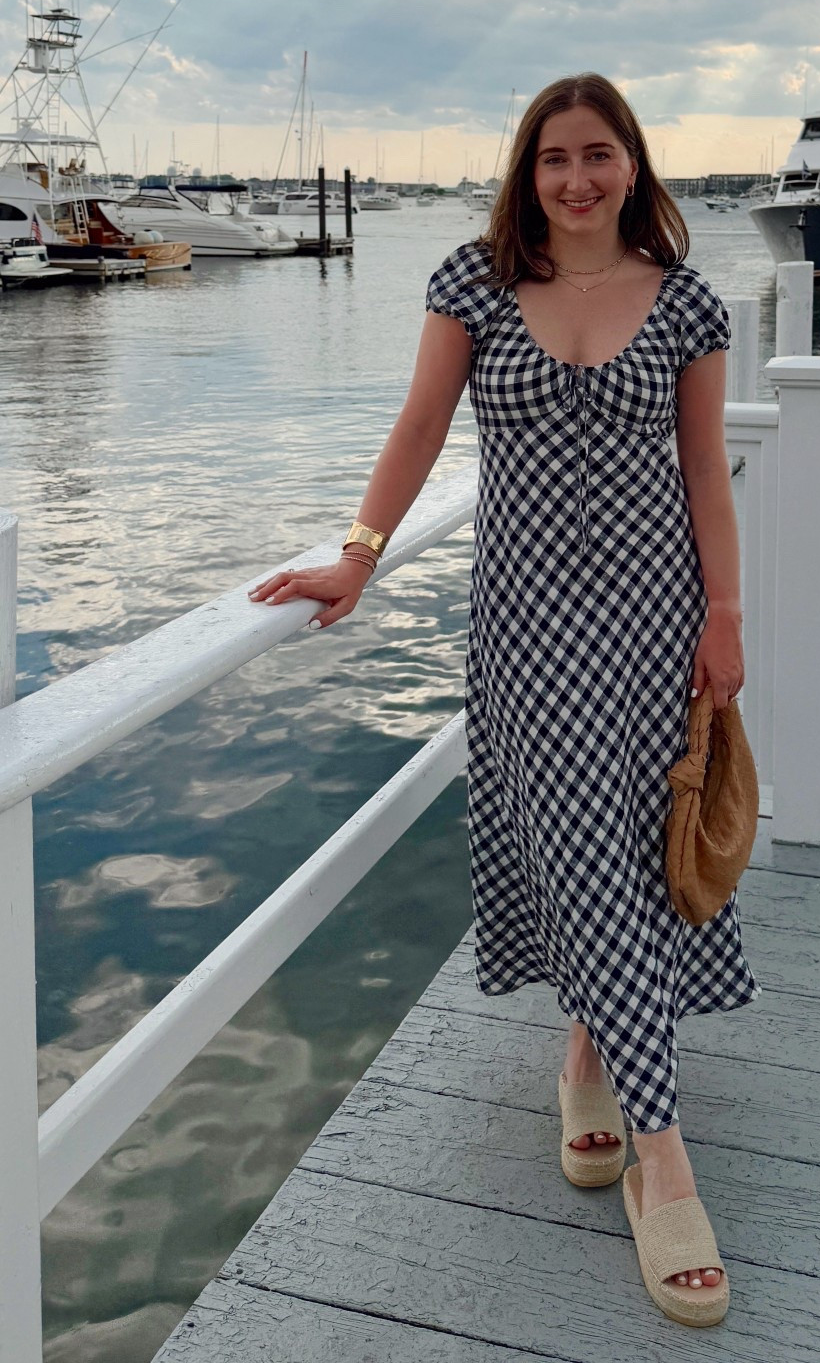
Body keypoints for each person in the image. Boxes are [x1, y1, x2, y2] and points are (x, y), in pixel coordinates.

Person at [251, 72, 757, 1327]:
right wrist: (359, 554)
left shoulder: (686, 299)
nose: (576, 180)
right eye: (552, 160)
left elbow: (705, 468)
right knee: (580, 847)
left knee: (625, 858)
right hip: (528, 627)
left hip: (651, 624)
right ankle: (660, 1144)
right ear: (525, 174)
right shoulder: (471, 282)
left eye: (597, 155)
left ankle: (606, 1071)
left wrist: (728, 615)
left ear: (632, 164)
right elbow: (421, 423)